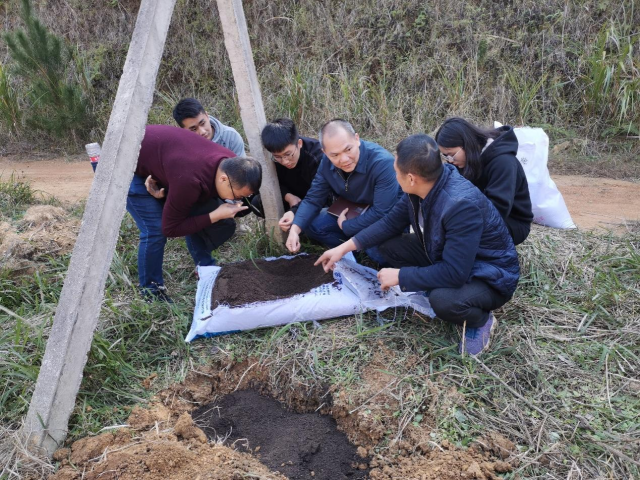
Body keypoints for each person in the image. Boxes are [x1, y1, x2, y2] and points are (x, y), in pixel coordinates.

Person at [315, 134, 520, 356]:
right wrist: (343, 248)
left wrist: (401, 276)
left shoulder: (461, 206)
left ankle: (479, 321)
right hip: (446, 253)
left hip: (490, 274)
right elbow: (390, 223)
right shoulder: (423, 185)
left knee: (442, 301)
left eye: (396, 172)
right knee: (388, 246)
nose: (395, 175)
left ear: (411, 177)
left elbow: (455, 272)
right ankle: (431, 282)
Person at [127, 125, 261, 301]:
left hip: (162, 155)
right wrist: (216, 215)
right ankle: (152, 291)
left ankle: (205, 267)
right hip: (127, 160)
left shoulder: (231, 164)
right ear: (223, 179)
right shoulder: (190, 181)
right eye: (236, 196)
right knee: (155, 230)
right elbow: (171, 229)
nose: (236, 201)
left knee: (196, 207)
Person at [283, 119, 401, 264]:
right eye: (335, 155)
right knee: (311, 224)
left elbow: (382, 212)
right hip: (353, 211)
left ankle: (358, 248)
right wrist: (295, 229)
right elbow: (314, 198)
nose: (344, 159)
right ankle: (351, 254)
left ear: (357, 139)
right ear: (324, 152)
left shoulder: (382, 163)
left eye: (348, 149)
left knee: (375, 250)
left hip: (385, 219)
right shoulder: (326, 163)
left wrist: (348, 226)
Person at [435, 117, 533, 245]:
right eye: (445, 155)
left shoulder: (503, 163)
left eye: (451, 154)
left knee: (457, 238)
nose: (449, 160)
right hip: (478, 214)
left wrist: (459, 222)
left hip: (511, 222)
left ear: (467, 144)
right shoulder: (465, 160)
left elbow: (498, 209)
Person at [257, 118, 325, 220]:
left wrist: (294, 211)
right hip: (292, 198)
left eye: (288, 154)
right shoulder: (272, 159)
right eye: (278, 157)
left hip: (315, 199)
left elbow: (320, 194)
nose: (285, 161)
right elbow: (271, 183)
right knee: (258, 202)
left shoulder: (317, 156)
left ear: (299, 143)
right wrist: (288, 197)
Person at [173, 98, 246, 157]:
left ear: (207, 116)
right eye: (193, 129)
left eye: (203, 123)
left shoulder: (231, 137)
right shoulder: (182, 148)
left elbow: (242, 170)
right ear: (183, 130)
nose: (202, 132)